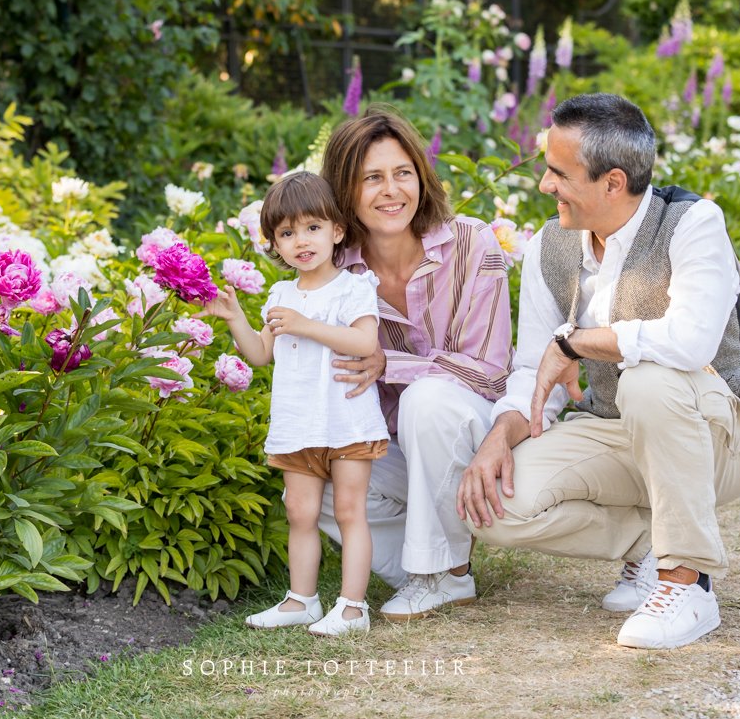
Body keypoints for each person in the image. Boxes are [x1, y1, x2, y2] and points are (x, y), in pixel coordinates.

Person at [456, 92, 740, 649]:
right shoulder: (548, 247)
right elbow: (537, 369)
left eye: (559, 173)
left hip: (716, 435)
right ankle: (653, 544)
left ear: (613, 181)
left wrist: (578, 343)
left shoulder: (693, 222)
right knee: (495, 508)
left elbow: (689, 341)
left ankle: (688, 584)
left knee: (650, 378)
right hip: (611, 430)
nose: (544, 185)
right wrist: (497, 437)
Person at [317, 105, 513, 620]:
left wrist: (388, 364)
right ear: (344, 191)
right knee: (316, 476)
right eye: (372, 178)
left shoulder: (470, 242)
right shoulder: (338, 271)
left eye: (403, 173)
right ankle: (432, 568)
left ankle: (438, 574)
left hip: (480, 432)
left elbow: (489, 371)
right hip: (404, 444)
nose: (392, 191)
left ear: (421, 179)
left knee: (426, 399)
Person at [205, 171, 390, 637]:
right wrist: (235, 319)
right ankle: (301, 600)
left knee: (350, 511)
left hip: (346, 420)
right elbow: (261, 354)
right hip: (299, 423)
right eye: (287, 233)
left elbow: (365, 341)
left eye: (312, 228)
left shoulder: (353, 286)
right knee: (300, 513)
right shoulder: (282, 294)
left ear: (337, 231)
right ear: (275, 244)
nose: (300, 241)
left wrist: (305, 324)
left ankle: (352, 607)